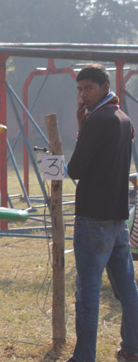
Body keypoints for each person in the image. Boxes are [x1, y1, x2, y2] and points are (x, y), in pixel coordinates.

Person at [66, 64, 138, 362]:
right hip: (117, 216)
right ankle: (132, 349)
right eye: (79, 89)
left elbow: (75, 169)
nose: (82, 95)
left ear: (105, 87)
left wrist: (81, 129)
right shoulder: (123, 118)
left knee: (88, 292)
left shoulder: (97, 120)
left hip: (93, 216)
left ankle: (84, 356)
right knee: (127, 289)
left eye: (88, 88)